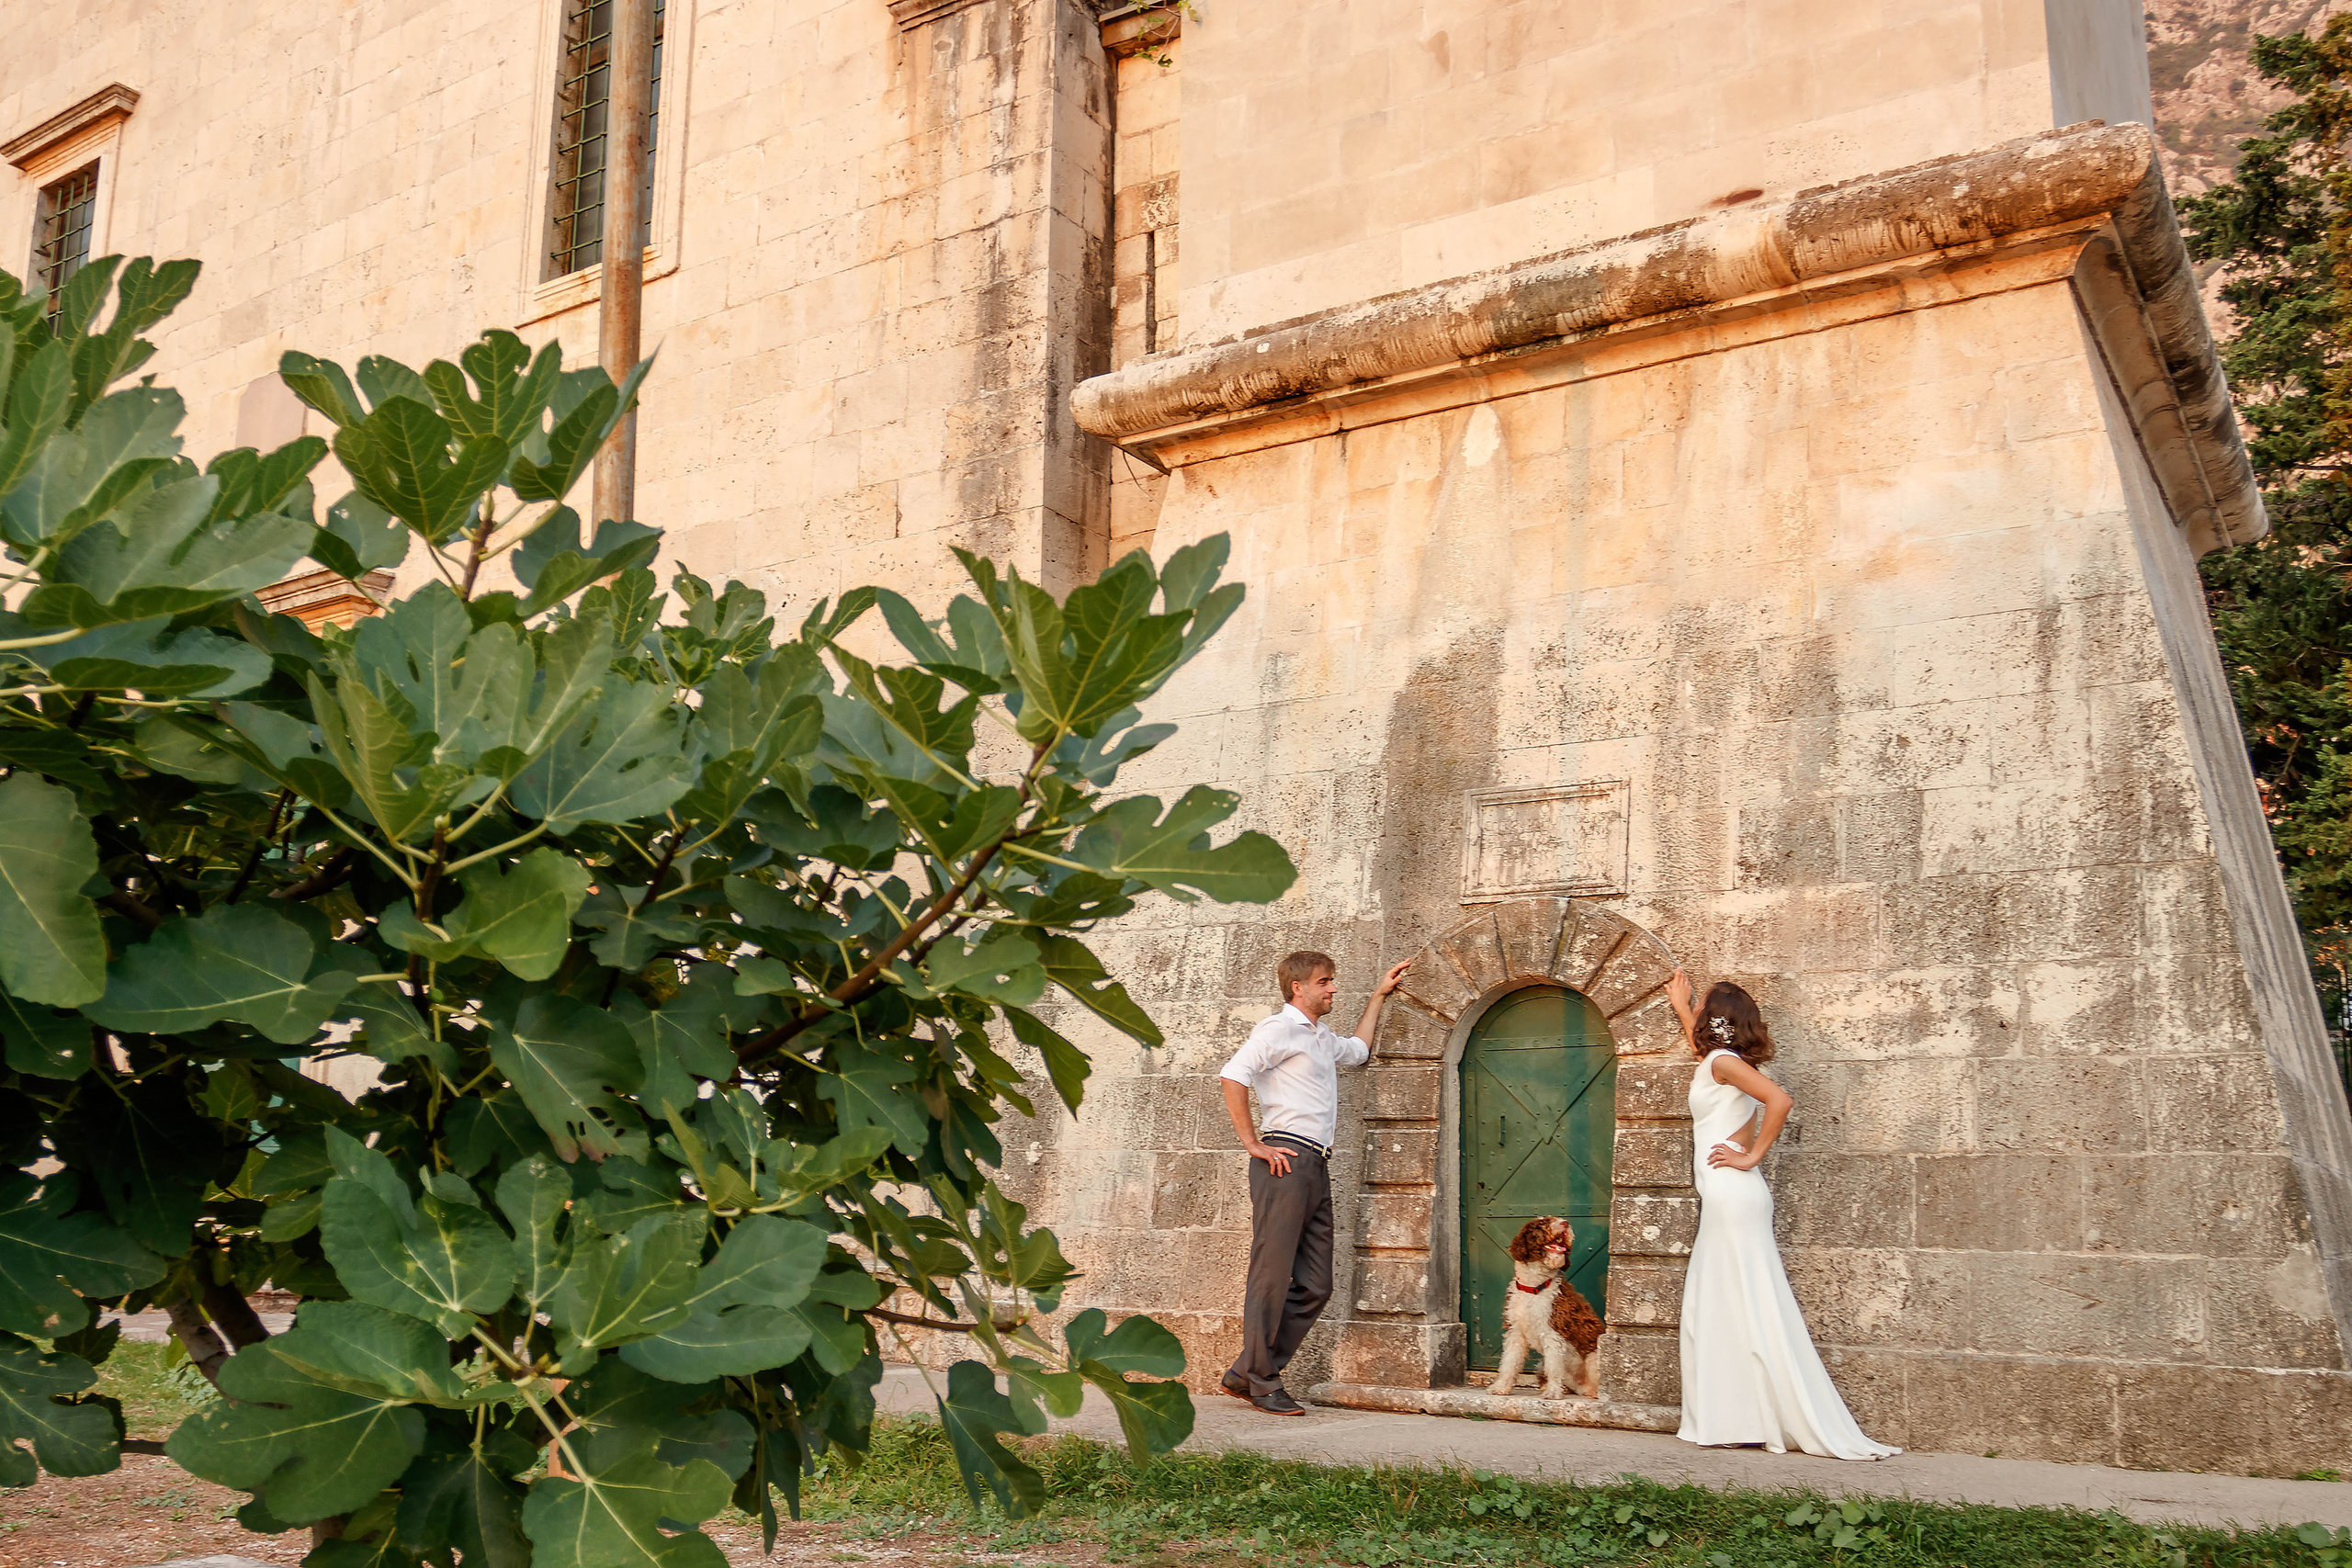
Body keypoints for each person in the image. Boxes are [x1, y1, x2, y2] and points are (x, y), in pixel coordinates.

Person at [1666, 968, 1899, 1460]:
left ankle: (1741, 1418)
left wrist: (1752, 1156)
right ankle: (1739, 1418)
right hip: (1730, 1197)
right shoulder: (1722, 1063)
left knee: (1737, 1303)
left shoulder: (1724, 1063)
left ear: (1717, 1017)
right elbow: (1707, 1054)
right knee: (1727, 1303)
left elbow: (1781, 1101)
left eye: (1703, 1004)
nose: (1697, 1008)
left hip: (1732, 1192)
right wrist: (1684, 1008)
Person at [1218, 949, 1412, 1415]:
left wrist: (1378, 996)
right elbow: (1233, 1074)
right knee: (1271, 1275)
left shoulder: (1321, 1037)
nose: (1333, 988)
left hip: (1316, 1164)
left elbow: (1359, 1051)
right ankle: (1262, 1381)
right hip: (1284, 1159)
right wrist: (1252, 1143)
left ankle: (1245, 1372)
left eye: (1332, 980)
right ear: (1298, 987)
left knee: (1316, 1284)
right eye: (1325, 981)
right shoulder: (1278, 1029)